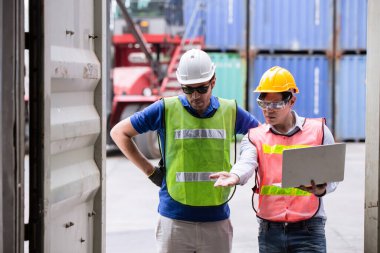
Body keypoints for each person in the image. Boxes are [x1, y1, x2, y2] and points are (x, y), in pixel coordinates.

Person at [110, 48, 259, 253]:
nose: (195, 96)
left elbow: (261, 137)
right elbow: (119, 133)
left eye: (201, 88)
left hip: (216, 220)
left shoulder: (230, 111)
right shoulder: (165, 109)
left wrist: (239, 172)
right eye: (188, 89)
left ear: (213, 81)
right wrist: (150, 171)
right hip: (174, 220)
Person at [210, 66, 337, 253]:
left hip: (309, 230)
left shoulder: (318, 131)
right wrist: (235, 176)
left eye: (276, 104)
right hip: (270, 232)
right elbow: (247, 161)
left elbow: (333, 177)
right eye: (264, 104)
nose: (269, 110)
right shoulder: (254, 136)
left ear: (291, 101)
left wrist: (321, 188)